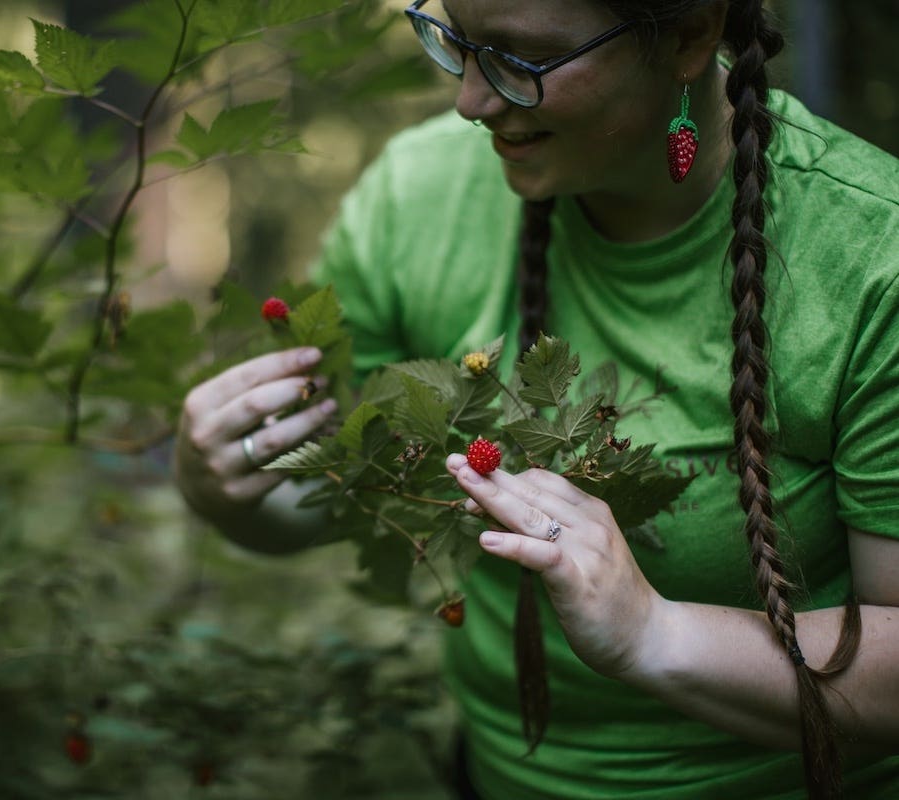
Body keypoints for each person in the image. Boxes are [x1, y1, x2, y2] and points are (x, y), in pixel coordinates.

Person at [174, 1, 899, 797]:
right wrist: (225, 490)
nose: (471, 101)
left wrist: (651, 633)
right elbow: (353, 495)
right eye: (457, 39)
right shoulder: (415, 197)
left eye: (522, 60)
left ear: (690, 36)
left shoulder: (869, 260)